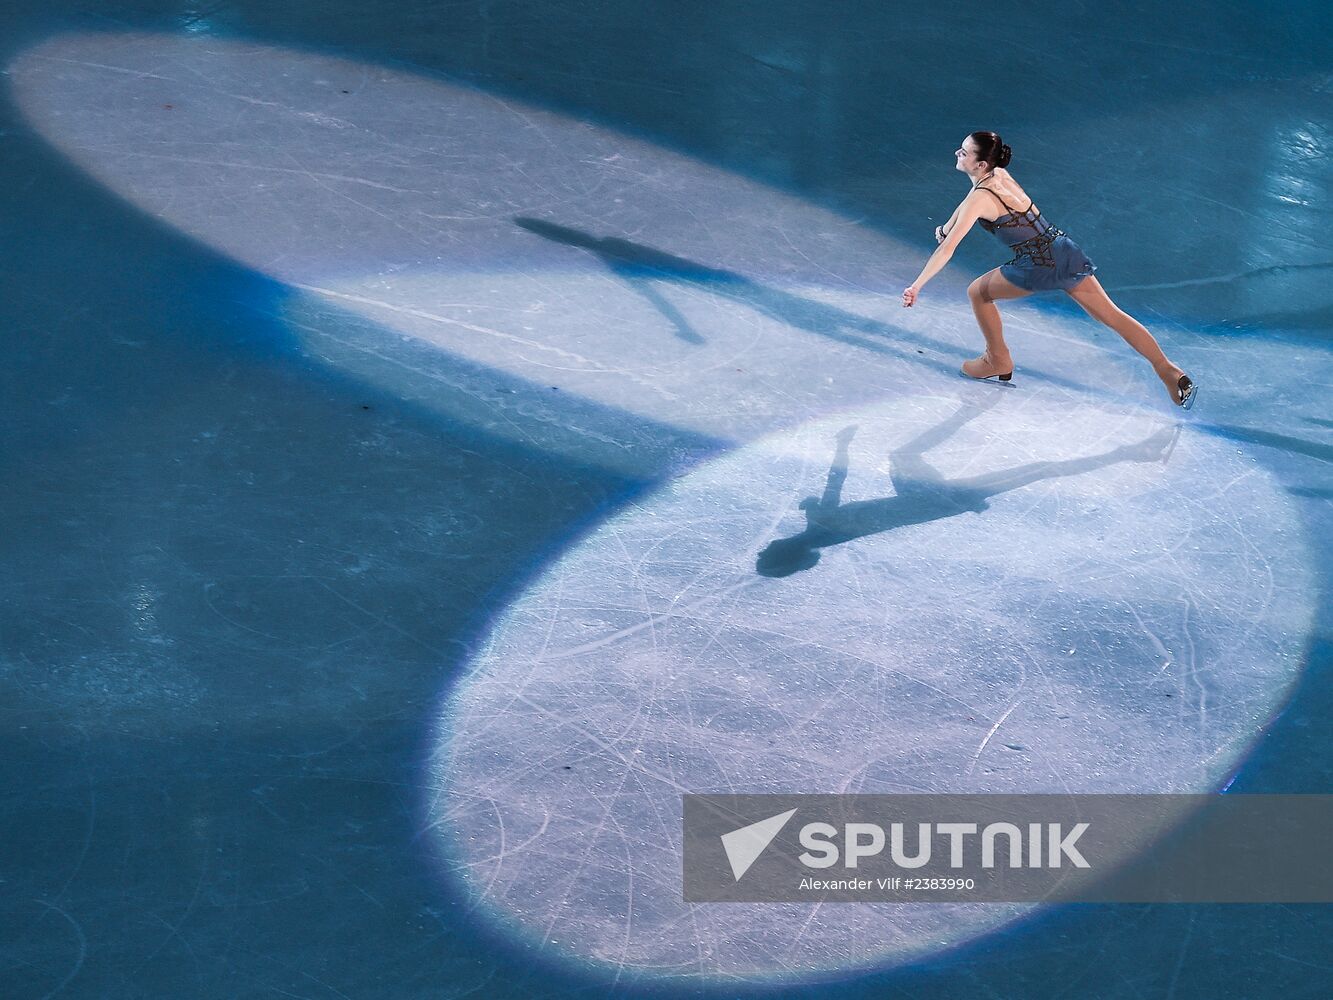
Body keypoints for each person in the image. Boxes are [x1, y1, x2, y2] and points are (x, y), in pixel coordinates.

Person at [901, 131, 1196, 408]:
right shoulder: (998, 175)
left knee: (977, 292)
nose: (957, 153)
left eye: (963, 152)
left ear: (979, 164)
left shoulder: (981, 199)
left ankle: (997, 359)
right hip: (1063, 249)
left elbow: (948, 248)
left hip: (1038, 263)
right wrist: (948, 225)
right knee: (1112, 315)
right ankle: (1169, 371)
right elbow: (967, 202)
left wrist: (917, 284)